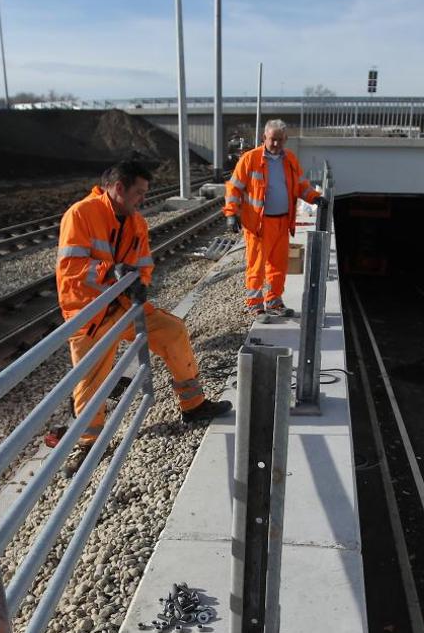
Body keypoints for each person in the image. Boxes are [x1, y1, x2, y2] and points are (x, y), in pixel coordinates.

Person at [57, 158, 230, 469]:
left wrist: (141, 284)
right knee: (90, 379)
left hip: (126, 307)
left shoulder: (136, 222)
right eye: (138, 192)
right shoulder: (81, 214)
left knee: (173, 331)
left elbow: (144, 265)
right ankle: (87, 444)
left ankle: (193, 405)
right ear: (118, 188)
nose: (142, 199)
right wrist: (112, 272)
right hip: (91, 312)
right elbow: (71, 270)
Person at [224, 119, 324, 318]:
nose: (276, 144)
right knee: (257, 266)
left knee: (279, 266)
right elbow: (234, 188)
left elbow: (301, 185)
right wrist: (231, 213)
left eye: (280, 139)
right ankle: (255, 304)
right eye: (272, 139)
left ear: (285, 139)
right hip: (259, 225)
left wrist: (314, 197)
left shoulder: (290, 160)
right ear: (264, 138)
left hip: (283, 222)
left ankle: (274, 301)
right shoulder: (250, 159)